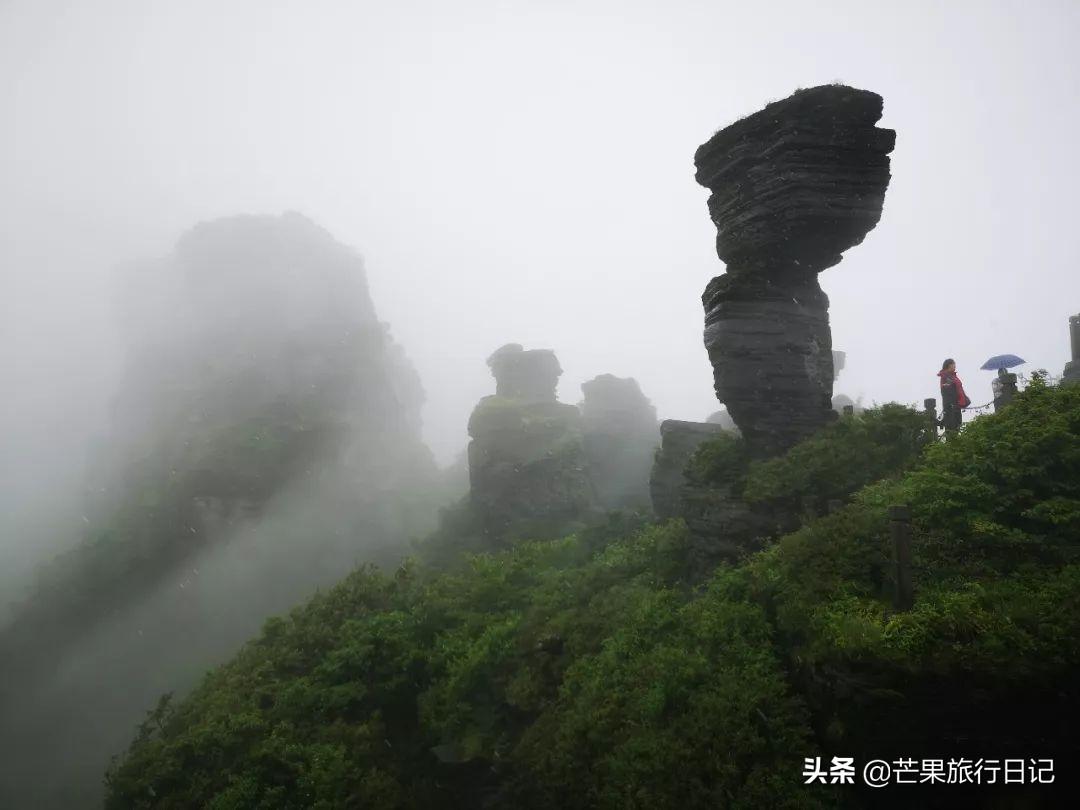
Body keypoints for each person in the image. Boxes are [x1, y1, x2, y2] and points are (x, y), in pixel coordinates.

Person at [938, 358, 970, 432]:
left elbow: (958, 389)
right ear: (949, 365)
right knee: (952, 428)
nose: (955, 366)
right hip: (952, 407)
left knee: (957, 426)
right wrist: (952, 404)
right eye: (953, 364)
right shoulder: (946, 376)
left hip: (956, 405)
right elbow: (947, 392)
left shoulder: (952, 376)